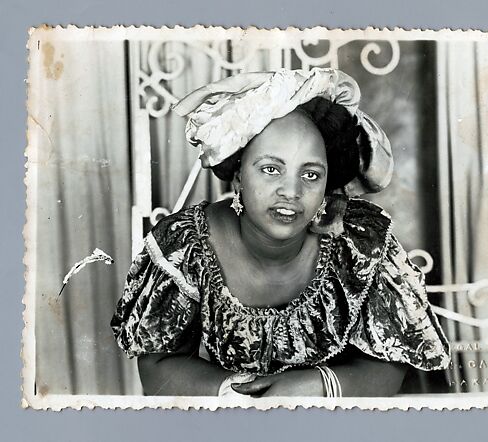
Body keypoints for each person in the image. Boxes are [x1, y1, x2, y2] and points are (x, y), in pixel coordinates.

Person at [111, 68, 450, 398]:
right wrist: (236, 394)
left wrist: (315, 387)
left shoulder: (361, 241)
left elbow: (391, 362)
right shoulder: (185, 245)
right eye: (271, 169)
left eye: (312, 174)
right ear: (239, 175)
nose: (291, 191)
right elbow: (158, 363)